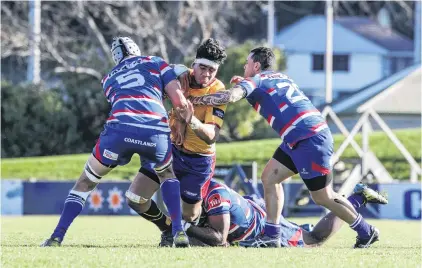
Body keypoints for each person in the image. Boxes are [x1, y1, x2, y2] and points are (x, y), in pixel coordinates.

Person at [188, 47, 380, 248]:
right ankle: (272, 235)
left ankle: (366, 232)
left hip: (309, 137)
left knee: (323, 197)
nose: (244, 66)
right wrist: (246, 86)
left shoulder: (257, 80)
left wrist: (194, 100)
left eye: (247, 62)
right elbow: (270, 97)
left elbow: (229, 97)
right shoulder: (280, 77)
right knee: (269, 178)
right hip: (299, 136)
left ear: (256, 66)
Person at [41, 37, 193, 248]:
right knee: (167, 175)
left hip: (119, 131)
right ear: (137, 50)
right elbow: (179, 102)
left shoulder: (108, 79)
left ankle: (56, 237)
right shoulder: (157, 62)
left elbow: (127, 99)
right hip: (154, 131)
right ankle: (178, 232)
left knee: (85, 183)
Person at [126, 38, 228, 247]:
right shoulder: (180, 77)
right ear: (194, 65)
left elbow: (212, 135)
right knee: (135, 198)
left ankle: (204, 229)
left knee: (189, 215)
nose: (206, 74)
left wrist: (191, 120)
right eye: (202, 68)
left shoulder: (217, 90)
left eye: (212, 70)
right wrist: (177, 69)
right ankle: (168, 229)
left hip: (198, 161)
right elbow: (155, 68)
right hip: (170, 150)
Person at [181, 180, 387, 248]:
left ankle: (357, 198)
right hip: (256, 216)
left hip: (262, 224)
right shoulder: (202, 189)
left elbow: (219, 240)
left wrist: (182, 228)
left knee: (314, 240)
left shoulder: (215, 196)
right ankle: (357, 198)